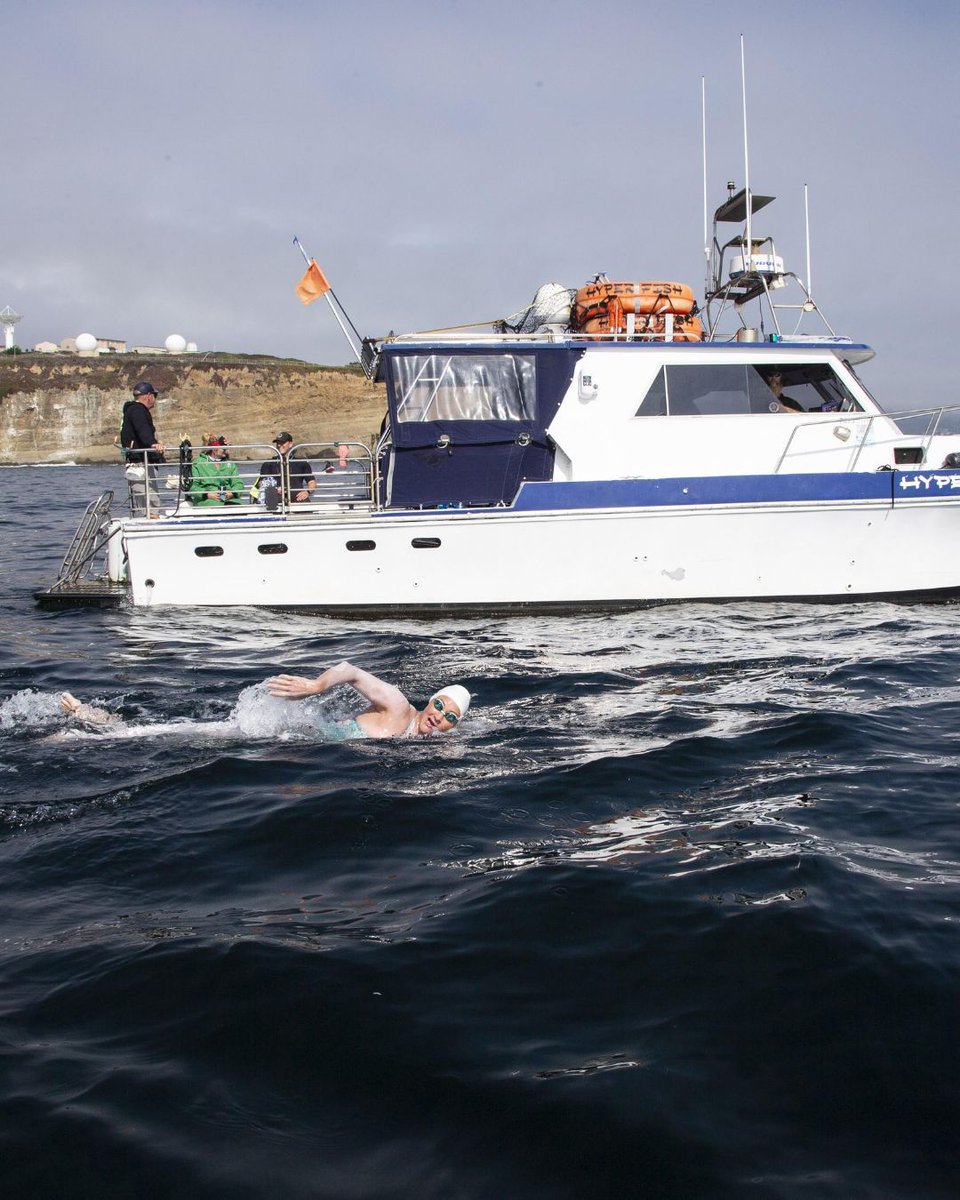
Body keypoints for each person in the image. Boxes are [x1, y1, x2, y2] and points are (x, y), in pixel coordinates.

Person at [267, 661, 471, 738]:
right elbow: (350, 671)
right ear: (430, 701)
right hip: (303, 736)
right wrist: (316, 686)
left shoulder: (438, 739)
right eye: (438, 705)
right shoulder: (398, 706)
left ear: (454, 725)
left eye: (450, 716)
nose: (438, 716)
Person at [120, 381, 166, 514]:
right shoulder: (138, 410)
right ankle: (152, 519)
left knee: (147, 500)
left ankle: (151, 516)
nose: (154, 400)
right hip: (139, 462)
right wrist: (153, 443)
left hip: (139, 462)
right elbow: (142, 429)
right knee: (149, 500)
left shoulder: (131, 410)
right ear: (149, 396)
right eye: (154, 396)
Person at [253, 432, 316, 507]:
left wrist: (307, 492)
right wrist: (274, 489)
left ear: (290, 444)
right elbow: (261, 482)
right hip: (275, 495)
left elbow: (312, 482)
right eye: (278, 443)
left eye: (282, 443)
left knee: (306, 507)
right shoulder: (268, 464)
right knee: (270, 501)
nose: (279, 445)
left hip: (296, 496)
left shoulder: (301, 463)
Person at [189, 433, 246, 505]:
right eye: (223, 448)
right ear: (214, 449)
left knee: (240, 506)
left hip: (228, 499)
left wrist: (232, 493)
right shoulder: (198, 463)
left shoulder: (230, 464)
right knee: (221, 507)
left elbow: (238, 483)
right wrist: (207, 494)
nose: (226, 450)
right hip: (207, 500)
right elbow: (193, 486)